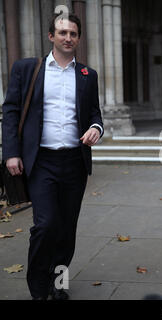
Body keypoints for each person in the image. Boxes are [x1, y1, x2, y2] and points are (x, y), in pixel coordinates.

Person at [2, 13, 103, 300]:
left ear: (79, 39)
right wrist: (11, 153)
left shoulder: (87, 75)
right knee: (45, 225)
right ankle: (38, 288)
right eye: (62, 33)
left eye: (73, 33)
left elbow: (94, 113)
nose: (68, 38)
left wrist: (96, 127)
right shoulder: (27, 69)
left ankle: (58, 283)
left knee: (66, 230)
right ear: (51, 36)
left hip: (74, 163)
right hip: (41, 161)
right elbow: (10, 111)